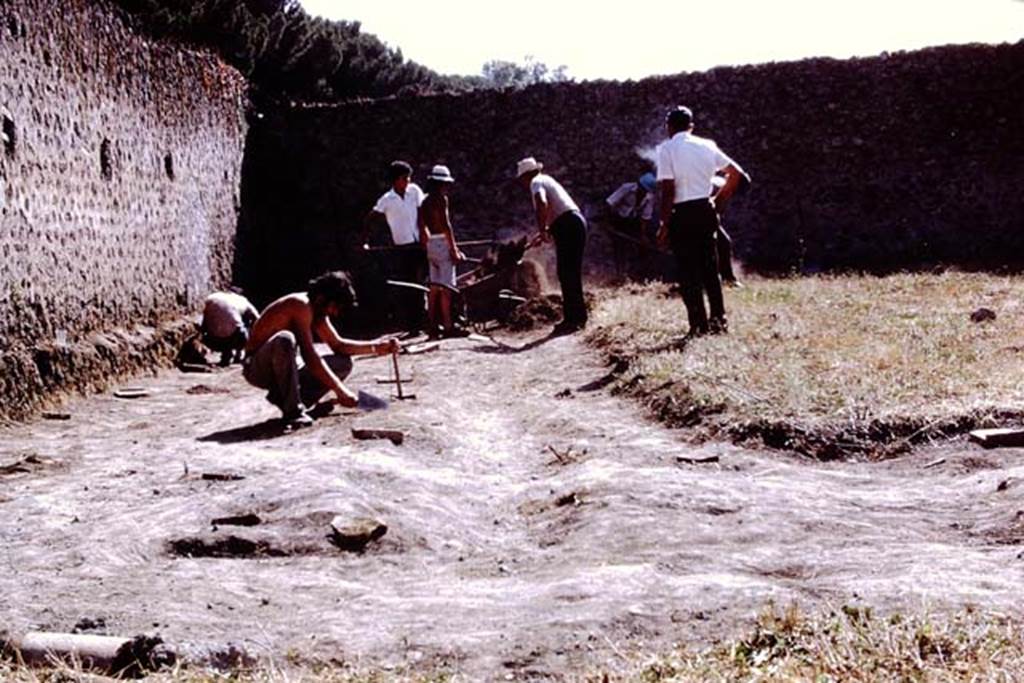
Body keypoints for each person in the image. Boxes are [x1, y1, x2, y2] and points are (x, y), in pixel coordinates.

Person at [242, 271, 399, 428]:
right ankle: (293, 413)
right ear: (321, 298)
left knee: (342, 363)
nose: (335, 313)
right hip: (257, 369)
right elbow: (310, 355)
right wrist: (340, 390)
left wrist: (377, 347)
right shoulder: (300, 305)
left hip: (284, 369)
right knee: (285, 339)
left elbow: (338, 345)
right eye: (335, 307)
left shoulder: (318, 310)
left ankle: (289, 400)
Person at [656, 106, 750, 338]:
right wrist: (718, 200)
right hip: (705, 210)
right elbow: (736, 174)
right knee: (710, 267)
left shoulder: (666, 149)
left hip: (681, 213)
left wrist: (664, 224)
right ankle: (719, 321)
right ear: (691, 126)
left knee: (687, 270)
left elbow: (668, 189)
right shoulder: (707, 145)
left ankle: (698, 325)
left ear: (669, 127)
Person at [516, 157, 589, 334]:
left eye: (521, 179)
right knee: (570, 272)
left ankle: (573, 319)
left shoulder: (536, 182)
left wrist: (542, 230)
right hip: (574, 222)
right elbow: (556, 212)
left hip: (568, 224)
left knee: (567, 272)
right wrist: (545, 232)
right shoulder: (546, 179)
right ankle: (577, 317)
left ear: (526, 175)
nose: (523, 184)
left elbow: (542, 203)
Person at [363, 160, 426, 335]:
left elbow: (422, 212)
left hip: (420, 244)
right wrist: (365, 241)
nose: (408, 181)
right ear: (396, 180)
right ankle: (413, 326)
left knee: (423, 282)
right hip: (403, 248)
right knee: (410, 285)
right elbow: (370, 219)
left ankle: (425, 322)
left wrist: (424, 233)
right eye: (405, 178)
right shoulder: (387, 200)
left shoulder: (415, 191)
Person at [418, 164, 466, 339]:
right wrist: (454, 248)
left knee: (434, 286)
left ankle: (432, 325)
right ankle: (447, 325)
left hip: (431, 244)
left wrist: (427, 244)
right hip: (442, 242)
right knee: (446, 287)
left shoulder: (424, 201)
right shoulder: (441, 199)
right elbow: (446, 224)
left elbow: (421, 226)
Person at [605, 172, 656, 278]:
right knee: (619, 246)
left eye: (645, 190)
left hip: (633, 221)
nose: (642, 191)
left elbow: (645, 217)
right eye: (641, 188)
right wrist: (608, 221)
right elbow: (610, 203)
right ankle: (619, 271)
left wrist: (643, 235)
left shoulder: (649, 197)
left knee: (638, 247)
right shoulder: (626, 188)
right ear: (639, 185)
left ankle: (635, 272)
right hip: (619, 218)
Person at [200, 290, 258, 367]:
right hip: (234, 336)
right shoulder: (242, 300)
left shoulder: (211, 297)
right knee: (243, 322)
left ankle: (226, 353)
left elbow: (204, 323)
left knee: (224, 323)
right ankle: (239, 352)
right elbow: (257, 318)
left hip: (214, 339)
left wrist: (203, 334)